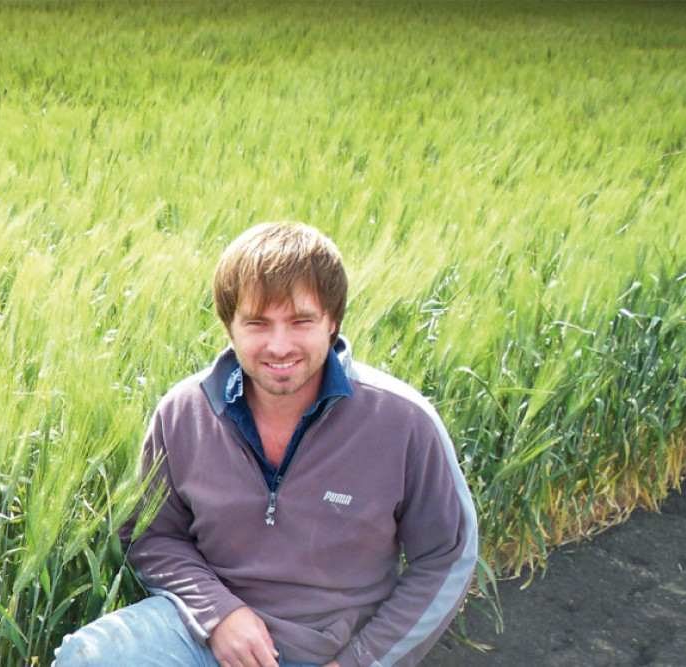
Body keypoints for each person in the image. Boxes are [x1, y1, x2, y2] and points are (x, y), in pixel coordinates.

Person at [54, 222, 478, 667]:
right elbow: (153, 536)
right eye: (257, 322)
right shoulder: (184, 413)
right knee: (87, 657)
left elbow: (446, 558)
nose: (279, 345)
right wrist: (218, 614)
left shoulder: (402, 423)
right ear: (229, 326)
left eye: (301, 321)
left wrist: (359, 662)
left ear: (333, 322)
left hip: (330, 650)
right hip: (201, 633)